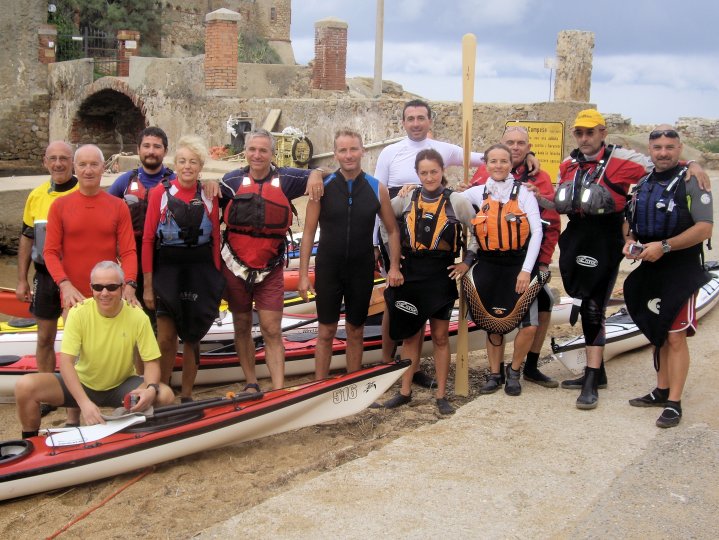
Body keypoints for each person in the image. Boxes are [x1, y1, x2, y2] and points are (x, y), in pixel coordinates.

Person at [554, 110, 709, 409]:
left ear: (602, 132)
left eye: (591, 132)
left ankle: (592, 378)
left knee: (594, 306)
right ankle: (597, 373)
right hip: (576, 236)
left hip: (606, 238)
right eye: (580, 132)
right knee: (581, 300)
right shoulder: (567, 163)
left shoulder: (626, 159)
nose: (585, 138)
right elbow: (563, 197)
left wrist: (692, 163)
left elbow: (662, 166)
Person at [14, 261, 174, 438]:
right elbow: (66, 363)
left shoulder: (138, 316)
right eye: (98, 287)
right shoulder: (78, 312)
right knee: (24, 386)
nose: (104, 293)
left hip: (122, 385)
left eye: (111, 287)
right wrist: (84, 403)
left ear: (122, 288)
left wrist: (150, 389)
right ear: (91, 288)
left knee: (165, 395)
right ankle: (31, 443)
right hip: (83, 383)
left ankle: (140, 437)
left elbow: (151, 362)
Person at [219, 129, 324, 391]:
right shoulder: (230, 181)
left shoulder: (287, 179)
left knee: (271, 329)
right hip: (235, 267)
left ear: (272, 154)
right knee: (242, 325)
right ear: (245, 152)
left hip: (270, 269)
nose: (257, 155)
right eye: (252, 149)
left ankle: (278, 389)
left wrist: (316, 173)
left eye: (263, 150)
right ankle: (251, 383)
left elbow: (325, 173)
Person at [623, 126, 713, 428]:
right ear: (650, 150)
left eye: (669, 147)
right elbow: (630, 222)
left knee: (675, 336)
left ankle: (674, 402)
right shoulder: (644, 182)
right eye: (658, 148)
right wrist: (630, 242)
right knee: (657, 331)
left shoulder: (693, 180)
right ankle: (661, 390)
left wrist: (664, 246)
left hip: (681, 268)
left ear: (680, 149)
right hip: (651, 267)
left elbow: (704, 228)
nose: (663, 153)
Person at [375, 149, 477, 414]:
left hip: (441, 275)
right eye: (424, 173)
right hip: (411, 274)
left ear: (442, 171)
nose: (429, 177)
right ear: (417, 174)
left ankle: (441, 395)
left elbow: (479, 230)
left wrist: (467, 262)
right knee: (410, 336)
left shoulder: (457, 201)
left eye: (434, 171)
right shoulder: (407, 198)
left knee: (440, 337)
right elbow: (384, 221)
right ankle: (405, 391)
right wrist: (393, 257)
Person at [297, 129, 403, 380]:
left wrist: (394, 266)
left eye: (353, 149)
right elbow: (308, 233)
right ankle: (319, 386)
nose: (349, 155)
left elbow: (392, 230)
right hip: (328, 268)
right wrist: (302, 275)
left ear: (362, 151)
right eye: (343, 150)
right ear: (335, 154)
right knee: (326, 331)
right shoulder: (322, 187)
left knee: (356, 330)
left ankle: (353, 385)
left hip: (361, 268)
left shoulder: (377, 188)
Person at [470, 125, 561, 387]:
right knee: (494, 318)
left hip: (525, 260)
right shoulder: (483, 176)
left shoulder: (538, 178)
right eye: (510, 142)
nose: (515, 147)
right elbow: (466, 206)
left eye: (521, 143)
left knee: (541, 307)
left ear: (528, 148)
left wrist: (541, 263)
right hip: (490, 260)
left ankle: (525, 367)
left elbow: (550, 223)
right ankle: (495, 372)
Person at [142, 135, 225, 402]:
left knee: (192, 337)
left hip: (199, 270)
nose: (187, 166)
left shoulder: (209, 194)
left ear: (201, 166)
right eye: (182, 161)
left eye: (193, 162)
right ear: (174, 164)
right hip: (168, 270)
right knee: (166, 338)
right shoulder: (160, 193)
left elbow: (216, 240)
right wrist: (147, 285)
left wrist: (216, 280)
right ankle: (163, 392)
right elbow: (148, 239)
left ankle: (187, 395)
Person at [461, 144, 544, 396]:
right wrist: (410, 189)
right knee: (492, 323)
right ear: (486, 164)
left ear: (511, 164)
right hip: (489, 264)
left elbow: (537, 231)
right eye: (493, 161)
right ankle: (495, 373)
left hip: (518, 266)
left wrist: (526, 271)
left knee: (529, 326)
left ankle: (514, 370)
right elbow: (445, 200)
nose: (498, 165)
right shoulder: (475, 193)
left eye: (504, 161)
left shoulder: (524, 193)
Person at [16, 141, 78, 419]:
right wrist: (21, 280)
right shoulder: (36, 195)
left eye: (64, 158)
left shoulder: (83, 191)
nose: (58, 164)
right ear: (45, 162)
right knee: (44, 337)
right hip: (44, 275)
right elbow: (27, 238)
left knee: (76, 339)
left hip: (75, 276)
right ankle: (45, 392)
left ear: (72, 162)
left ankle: (77, 393)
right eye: (53, 159)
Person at [44, 144, 138, 310]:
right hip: (74, 296)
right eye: (82, 165)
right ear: (75, 167)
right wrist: (64, 285)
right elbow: (50, 252)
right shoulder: (59, 206)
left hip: (109, 294)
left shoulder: (118, 206)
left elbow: (128, 252)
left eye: (94, 164)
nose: (88, 171)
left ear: (103, 168)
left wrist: (129, 284)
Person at [108, 127, 176, 325]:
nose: (151, 151)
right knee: (134, 315)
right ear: (138, 149)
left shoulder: (175, 181)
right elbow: (106, 216)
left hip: (164, 255)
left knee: (163, 316)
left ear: (165, 151)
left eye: (157, 146)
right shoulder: (124, 182)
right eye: (146, 146)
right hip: (132, 256)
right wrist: (115, 245)